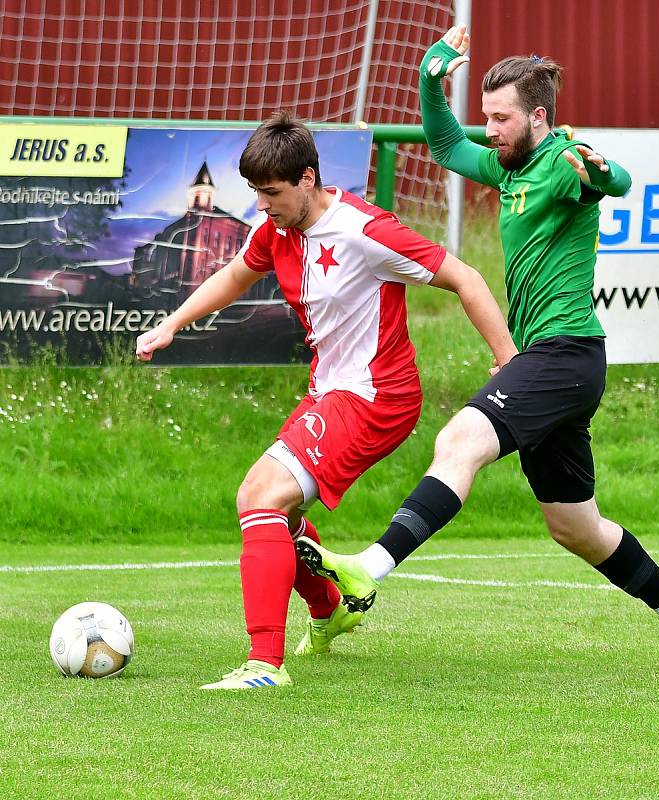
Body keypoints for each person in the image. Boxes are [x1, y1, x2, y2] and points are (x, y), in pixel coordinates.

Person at [297, 27, 659, 671]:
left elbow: (616, 180)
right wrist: (429, 80)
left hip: (563, 353)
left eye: (501, 118)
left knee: (459, 442)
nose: (489, 129)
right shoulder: (506, 163)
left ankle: (367, 570)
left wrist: (604, 173)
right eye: (486, 116)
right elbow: (442, 143)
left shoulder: (562, 159)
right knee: (575, 527)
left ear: (539, 116)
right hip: (559, 364)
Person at [135, 111, 517, 689]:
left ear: (308, 179)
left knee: (257, 495)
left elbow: (468, 278)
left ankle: (264, 666)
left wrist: (506, 361)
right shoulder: (278, 230)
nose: (262, 205)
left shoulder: (365, 230)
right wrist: (173, 324)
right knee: (280, 513)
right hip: (333, 391)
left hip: (375, 396)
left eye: (272, 193)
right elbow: (236, 276)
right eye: (256, 193)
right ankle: (330, 605)